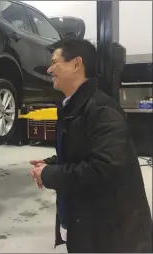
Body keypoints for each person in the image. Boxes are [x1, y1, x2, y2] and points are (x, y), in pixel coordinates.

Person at [29, 38, 152, 253]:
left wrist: (51, 175)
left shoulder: (102, 109)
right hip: (91, 224)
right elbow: (85, 151)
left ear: (76, 64)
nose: (49, 69)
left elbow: (104, 167)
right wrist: (51, 164)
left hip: (113, 234)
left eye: (55, 62)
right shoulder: (74, 106)